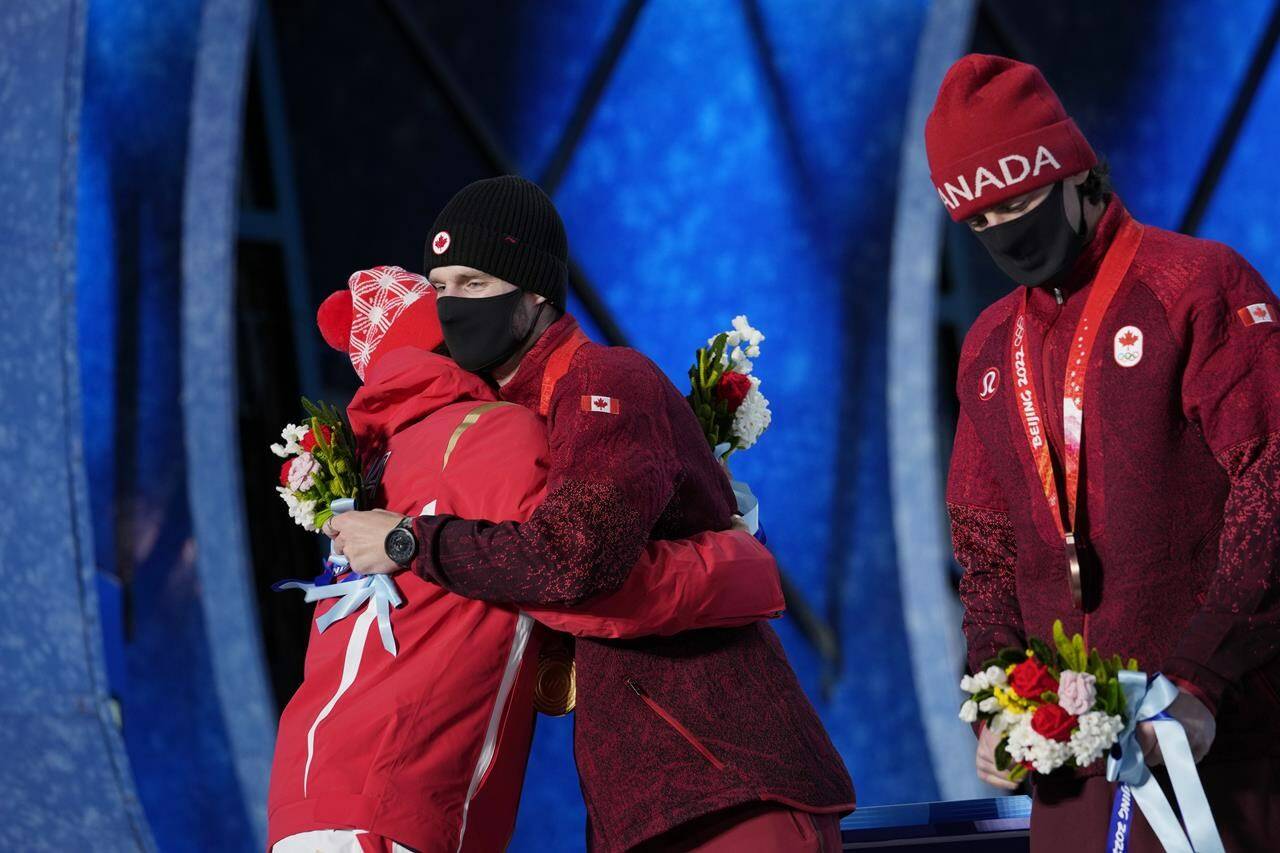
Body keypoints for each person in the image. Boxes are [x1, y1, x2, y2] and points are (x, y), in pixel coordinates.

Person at [331, 177, 855, 852]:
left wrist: (409, 541)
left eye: (474, 283)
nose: (452, 306)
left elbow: (574, 556)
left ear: (535, 289)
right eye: (440, 288)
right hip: (640, 805)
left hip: (728, 785)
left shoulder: (605, 380)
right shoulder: (500, 426)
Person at [268, 266, 787, 853]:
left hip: (307, 792)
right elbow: (575, 576)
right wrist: (742, 560)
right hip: (399, 799)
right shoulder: (497, 436)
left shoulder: (374, 469)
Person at [930, 55, 1280, 850]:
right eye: (978, 221)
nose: (1001, 235)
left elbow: (1273, 486)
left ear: (1071, 170)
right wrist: (998, 701)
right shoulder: (989, 348)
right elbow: (985, 551)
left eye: (1014, 203)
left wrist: (1201, 678)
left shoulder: (1196, 285)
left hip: (1224, 740)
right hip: (1075, 764)